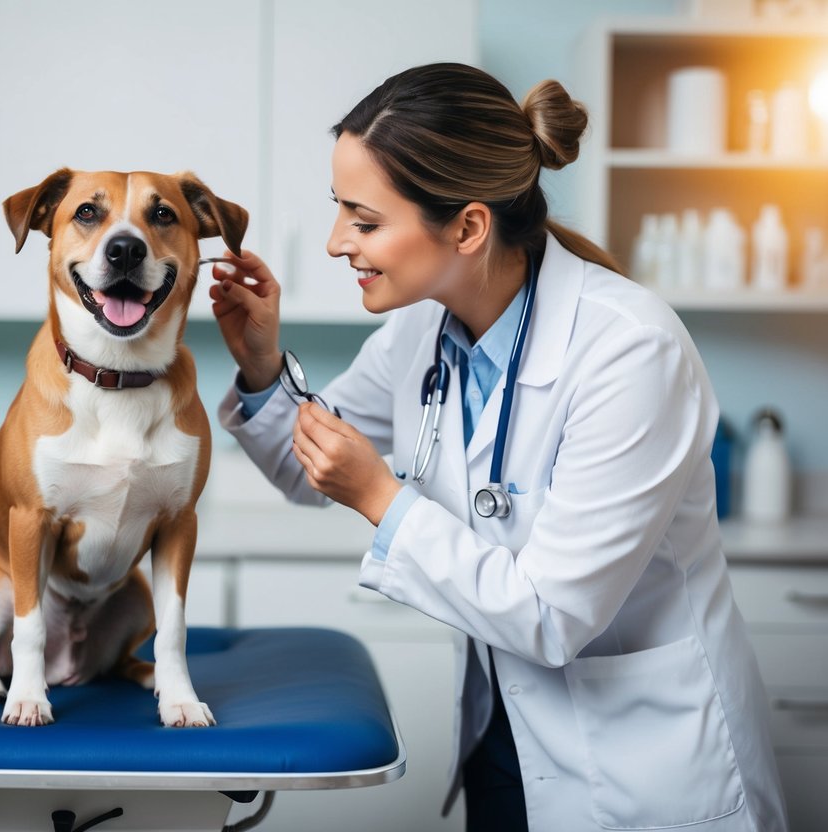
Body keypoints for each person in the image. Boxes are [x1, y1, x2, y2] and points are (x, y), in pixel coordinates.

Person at [208, 63, 787, 832]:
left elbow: (551, 617)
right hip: (501, 740)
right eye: (338, 211)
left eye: (364, 219)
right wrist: (260, 365)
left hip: (640, 767)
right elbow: (305, 471)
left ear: (468, 227)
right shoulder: (422, 329)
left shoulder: (629, 351)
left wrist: (382, 497)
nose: (334, 242)